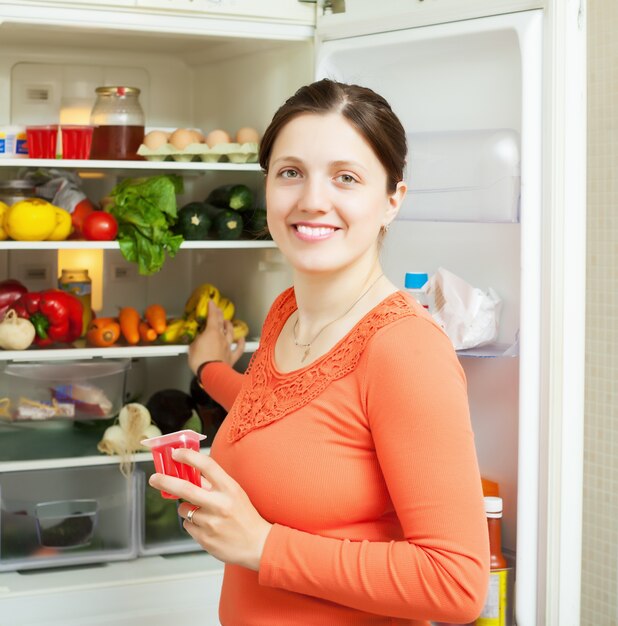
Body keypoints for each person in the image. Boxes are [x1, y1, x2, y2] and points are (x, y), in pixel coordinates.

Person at [149, 78, 490, 625]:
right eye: (290, 173)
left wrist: (262, 546)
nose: (311, 200)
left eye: (346, 178)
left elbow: (458, 583)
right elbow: (294, 412)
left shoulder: (405, 349)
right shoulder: (288, 310)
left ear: (392, 200)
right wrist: (208, 368)